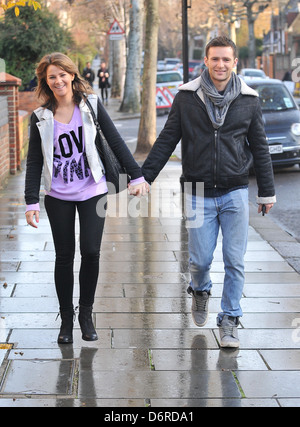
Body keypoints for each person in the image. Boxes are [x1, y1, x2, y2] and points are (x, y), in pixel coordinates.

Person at [140, 36, 276, 348]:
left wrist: (266, 192)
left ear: (235, 62)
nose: (220, 65)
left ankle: (229, 318)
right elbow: (167, 139)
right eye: (215, 59)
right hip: (197, 190)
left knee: (234, 260)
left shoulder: (249, 100)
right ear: (205, 60)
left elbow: (260, 147)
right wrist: (145, 177)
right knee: (200, 261)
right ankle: (200, 290)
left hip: (235, 191)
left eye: (226, 59)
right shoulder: (187, 97)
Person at [25, 52, 148, 344]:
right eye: (51, 77)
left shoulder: (91, 104)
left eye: (62, 74)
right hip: (57, 195)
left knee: (91, 251)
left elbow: (115, 140)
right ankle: (66, 320)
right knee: (64, 256)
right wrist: (31, 200)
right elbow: (33, 161)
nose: (58, 81)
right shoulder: (40, 117)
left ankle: (86, 314)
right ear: (46, 81)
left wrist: (137, 175)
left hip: (92, 190)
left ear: (72, 75)